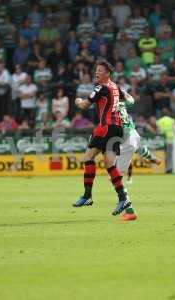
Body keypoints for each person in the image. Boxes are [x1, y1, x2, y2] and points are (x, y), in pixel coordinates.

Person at [73, 60, 132, 216]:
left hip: (105, 127)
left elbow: (85, 105)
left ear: (107, 73)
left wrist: (78, 101)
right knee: (109, 164)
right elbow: (128, 98)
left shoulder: (100, 87)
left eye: (100, 70)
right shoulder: (116, 87)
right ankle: (123, 198)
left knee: (88, 157)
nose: (96, 73)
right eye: (96, 70)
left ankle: (87, 196)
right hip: (117, 128)